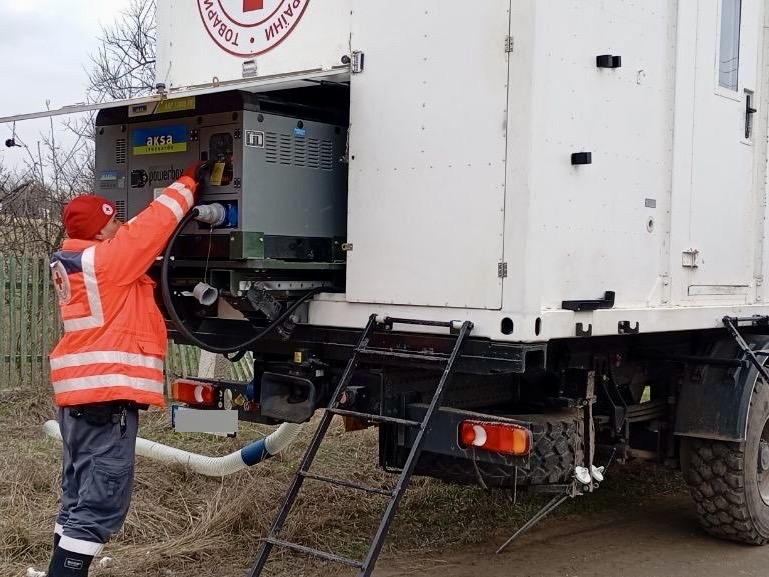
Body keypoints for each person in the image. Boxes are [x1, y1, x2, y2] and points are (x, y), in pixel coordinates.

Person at [44, 161, 210, 576]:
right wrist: (187, 184)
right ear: (100, 231)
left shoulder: (77, 260)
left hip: (79, 401)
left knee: (79, 497)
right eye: (112, 220)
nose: (119, 224)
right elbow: (147, 229)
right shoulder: (107, 263)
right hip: (105, 400)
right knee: (99, 504)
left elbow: (131, 232)